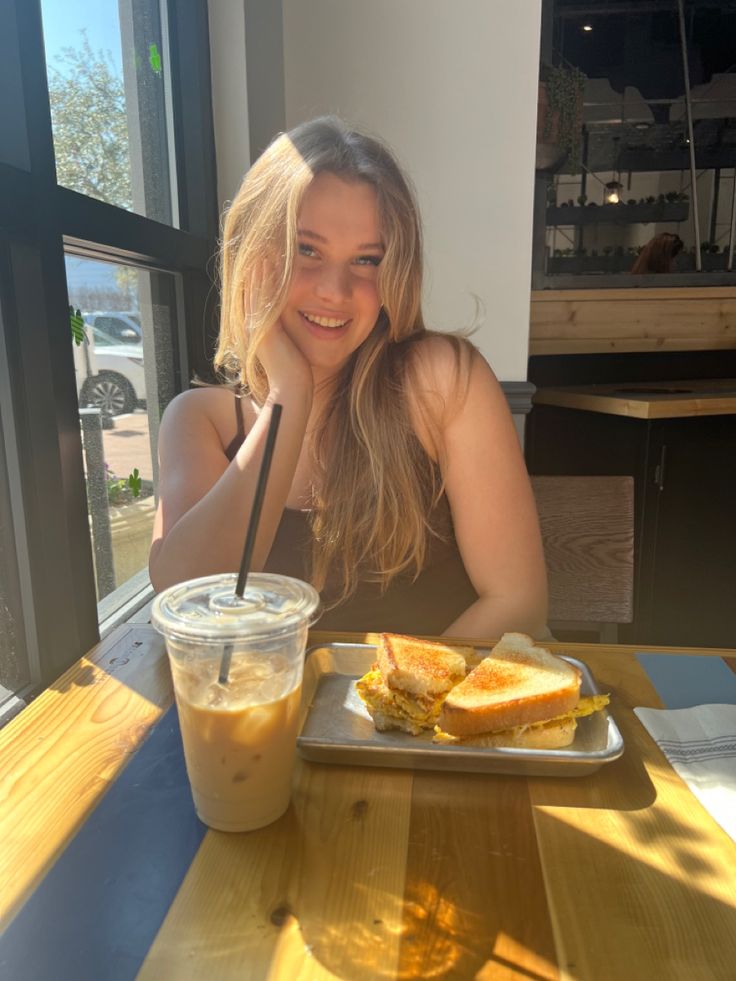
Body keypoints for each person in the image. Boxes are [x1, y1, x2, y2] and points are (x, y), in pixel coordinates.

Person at [149, 116, 548, 640]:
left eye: (367, 260)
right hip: (275, 715)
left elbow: (518, 602)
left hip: (438, 710)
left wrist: (393, 712)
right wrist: (289, 391)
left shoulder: (442, 381)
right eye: (306, 250)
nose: (335, 291)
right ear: (252, 260)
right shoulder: (199, 419)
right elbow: (191, 601)